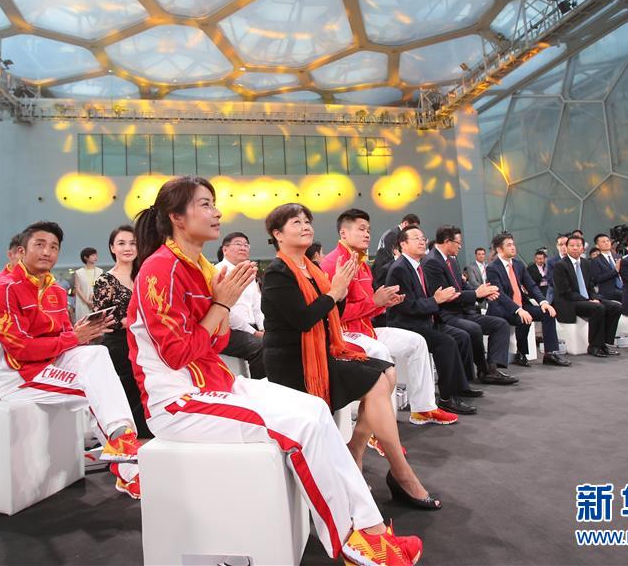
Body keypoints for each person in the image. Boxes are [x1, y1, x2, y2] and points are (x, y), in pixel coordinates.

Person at [127, 178, 422, 564]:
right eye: (205, 204)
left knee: (315, 410)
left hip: (217, 384)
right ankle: (353, 542)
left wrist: (221, 304)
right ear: (177, 218)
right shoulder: (159, 270)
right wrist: (221, 305)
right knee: (301, 426)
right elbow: (177, 354)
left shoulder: (200, 268)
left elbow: (216, 341)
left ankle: (372, 528)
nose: (217, 212)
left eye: (214, 203)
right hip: (178, 401)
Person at [263, 203, 440, 512]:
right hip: (295, 364)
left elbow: (333, 313)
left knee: (388, 373)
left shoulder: (312, 269)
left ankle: (355, 449)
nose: (306, 226)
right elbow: (304, 319)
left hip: (322, 353)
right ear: (278, 234)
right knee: (378, 380)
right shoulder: (278, 272)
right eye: (296, 222)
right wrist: (335, 293)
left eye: (307, 221)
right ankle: (401, 473)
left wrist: (340, 295)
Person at [0, 221, 142, 498]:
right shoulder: (1, 288)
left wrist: (80, 333)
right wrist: (73, 338)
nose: (47, 252)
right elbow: (20, 349)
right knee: (97, 388)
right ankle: (128, 465)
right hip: (18, 376)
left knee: (97, 353)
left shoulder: (55, 290)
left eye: (54, 247)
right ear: (22, 251)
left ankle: (123, 446)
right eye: (40, 245)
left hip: (49, 365)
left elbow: (64, 338)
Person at [321, 209, 456, 427]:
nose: (367, 234)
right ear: (343, 233)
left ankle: (423, 409)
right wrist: (375, 303)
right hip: (342, 334)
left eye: (368, 230)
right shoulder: (332, 263)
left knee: (417, 342)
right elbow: (332, 312)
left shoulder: (362, 264)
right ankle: (380, 427)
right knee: (380, 352)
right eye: (361, 229)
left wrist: (384, 304)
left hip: (365, 330)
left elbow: (368, 307)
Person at [386, 225, 480, 415]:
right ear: (403, 244)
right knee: (446, 343)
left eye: (423, 238)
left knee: (461, 336)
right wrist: (436, 300)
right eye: (416, 239)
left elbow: (427, 299)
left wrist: (438, 300)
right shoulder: (399, 269)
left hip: (424, 321)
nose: (422, 242)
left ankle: (460, 387)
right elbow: (408, 307)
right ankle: (446, 398)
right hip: (407, 325)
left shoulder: (417, 267)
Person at [424, 225, 516, 385]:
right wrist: (476, 294)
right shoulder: (431, 262)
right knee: (473, 329)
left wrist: (482, 292)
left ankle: (491, 369)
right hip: (446, 315)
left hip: (464, 310)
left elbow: (461, 286)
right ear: (447, 241)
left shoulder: (452, 259)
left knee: (500, 324)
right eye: (458, 243)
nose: (460, 246)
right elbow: (447, 295)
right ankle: (483, 369)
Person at [92, 224, 154, 437]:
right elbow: (102, 320)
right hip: (120, 345)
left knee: (149, 386)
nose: (128, 248)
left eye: (133, 243)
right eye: (121, 243)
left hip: (147, 341)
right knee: (128, 389)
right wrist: (131, 321)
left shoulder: (146, 275)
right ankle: (131, 436)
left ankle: (151, 430)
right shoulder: (104, 281)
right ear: (112, 248)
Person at [486, 233, 567, 367]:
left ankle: (550, 353)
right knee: (523, 318)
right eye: (509, 245)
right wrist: (518, 310)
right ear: (499, 249)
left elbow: (531, 286)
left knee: (548, 313)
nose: (513, 247)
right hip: (503, 308)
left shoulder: (518, 265)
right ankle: (521, 353)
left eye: (513, 244)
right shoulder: (492, 268)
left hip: (521, 304)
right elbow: (500, 294)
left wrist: (543, 302)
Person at [552, 235, 622, 358]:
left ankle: (604, 343)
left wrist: (594, 298)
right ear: (566, 248)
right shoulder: (560, 265)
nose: (575, 248)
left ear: (583, 249)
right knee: (598, 308)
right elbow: (565, 291)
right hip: (568, 302)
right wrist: (588, 300)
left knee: (615, 307)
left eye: (578, 246)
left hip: (586, 299)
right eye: (572, 246)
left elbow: (590, 286)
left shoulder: (585, 263)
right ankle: (594, 346)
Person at [215, 232, 266, 379]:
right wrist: (253, 332)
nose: (243, 248)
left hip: (252, 328)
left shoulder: (249, 272)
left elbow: (257, 305)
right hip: (228, 329)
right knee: (261, 346)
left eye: (246, 245)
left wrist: (263, 327)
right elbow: (225, 309)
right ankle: (259, 388)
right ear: (225, 249)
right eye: (238, 244)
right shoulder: (218, 272)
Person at [373, 213, 420, 289]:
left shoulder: (396, 233)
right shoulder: (393, 234)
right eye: (412, 228)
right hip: (384, 273)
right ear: (405, 223)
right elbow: (388, 256)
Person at [589, 233, 624, 302]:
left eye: (608, 241)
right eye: (603, 242)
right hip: (609, 291)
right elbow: (597, 279)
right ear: (597, 246)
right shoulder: (596, 261)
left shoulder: (618, 257)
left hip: (624, 287)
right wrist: (615, 271)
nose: (606, 243)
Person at [73, 247, 102, 322]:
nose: (95, 257)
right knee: (84, 323)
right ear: (85, 257)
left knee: (97, 323)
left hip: (96, 302)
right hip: (83, 303)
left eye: (96, 255)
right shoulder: (79, 272)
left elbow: (102, 287)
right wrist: (87, 302)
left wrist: (95, 297)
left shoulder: (100, 271)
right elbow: (78, 288)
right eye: (93, 255)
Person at [544, 233, 569, 302]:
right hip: (556, 295)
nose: (564, 247)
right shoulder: (551, 261)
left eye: (566, 244)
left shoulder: (575, 260)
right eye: (561, 244)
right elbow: (550, 280)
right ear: (557, 246)